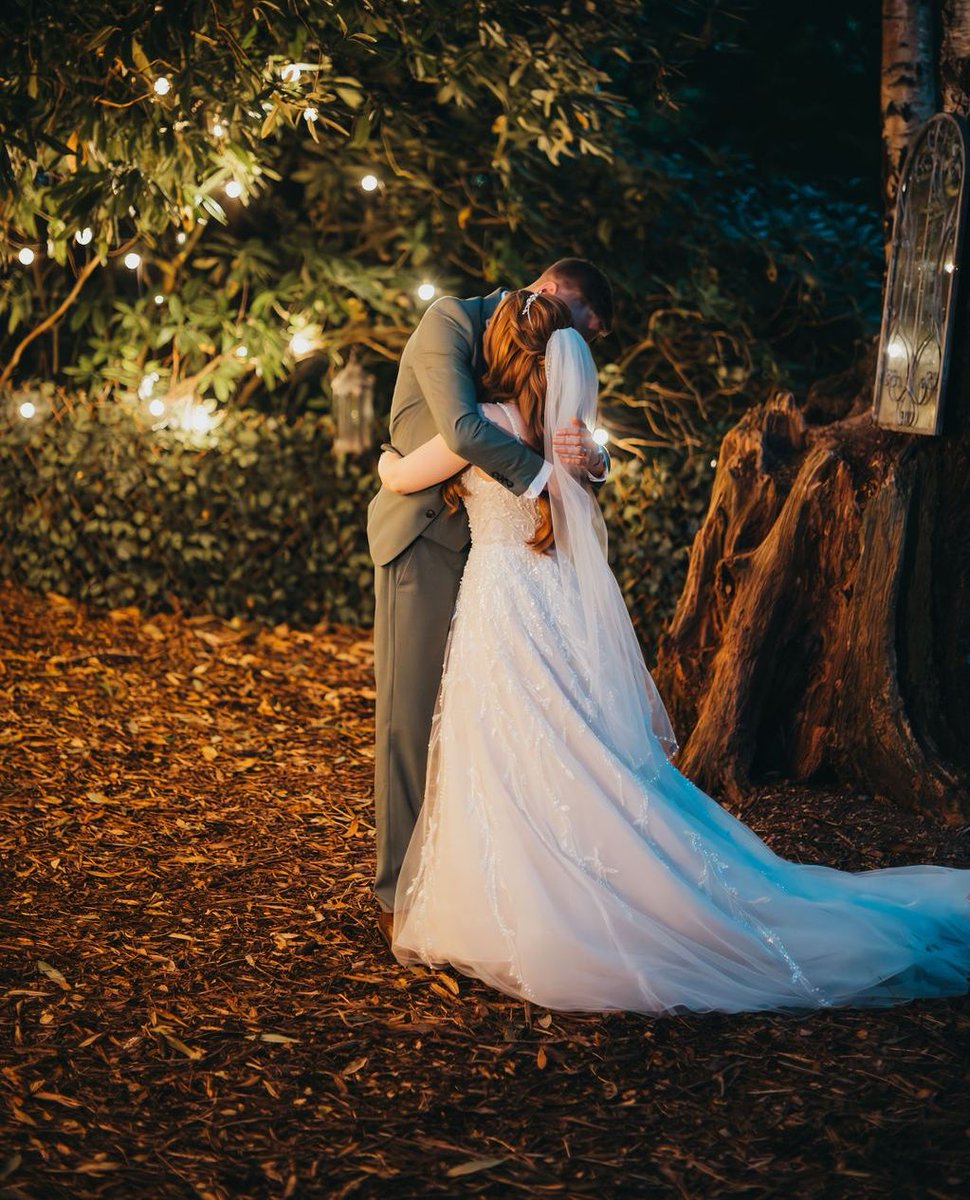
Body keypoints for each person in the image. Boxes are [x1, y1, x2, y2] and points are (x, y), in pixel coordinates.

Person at [375, 289, 970, 1015]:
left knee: (496, 741)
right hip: (550, 595)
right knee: (560, 736)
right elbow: (584, 479)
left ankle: (509, 888)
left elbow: (403, 477)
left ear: (493, 357)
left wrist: (382, 461)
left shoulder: (487, 424)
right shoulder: (560, 432)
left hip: (500, 596)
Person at [367, 259, 614, 948]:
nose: (570, 341)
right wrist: (554, 482)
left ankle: (470, 872)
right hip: (428, 538)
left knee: (487, 726)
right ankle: (399, 887)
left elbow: (431, 456)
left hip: (494, 553)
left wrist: (588, 461)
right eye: (570, 324)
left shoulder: (530, 383)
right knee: (413, 718)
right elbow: (462, 427)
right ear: (547, 294)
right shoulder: (450, 319)